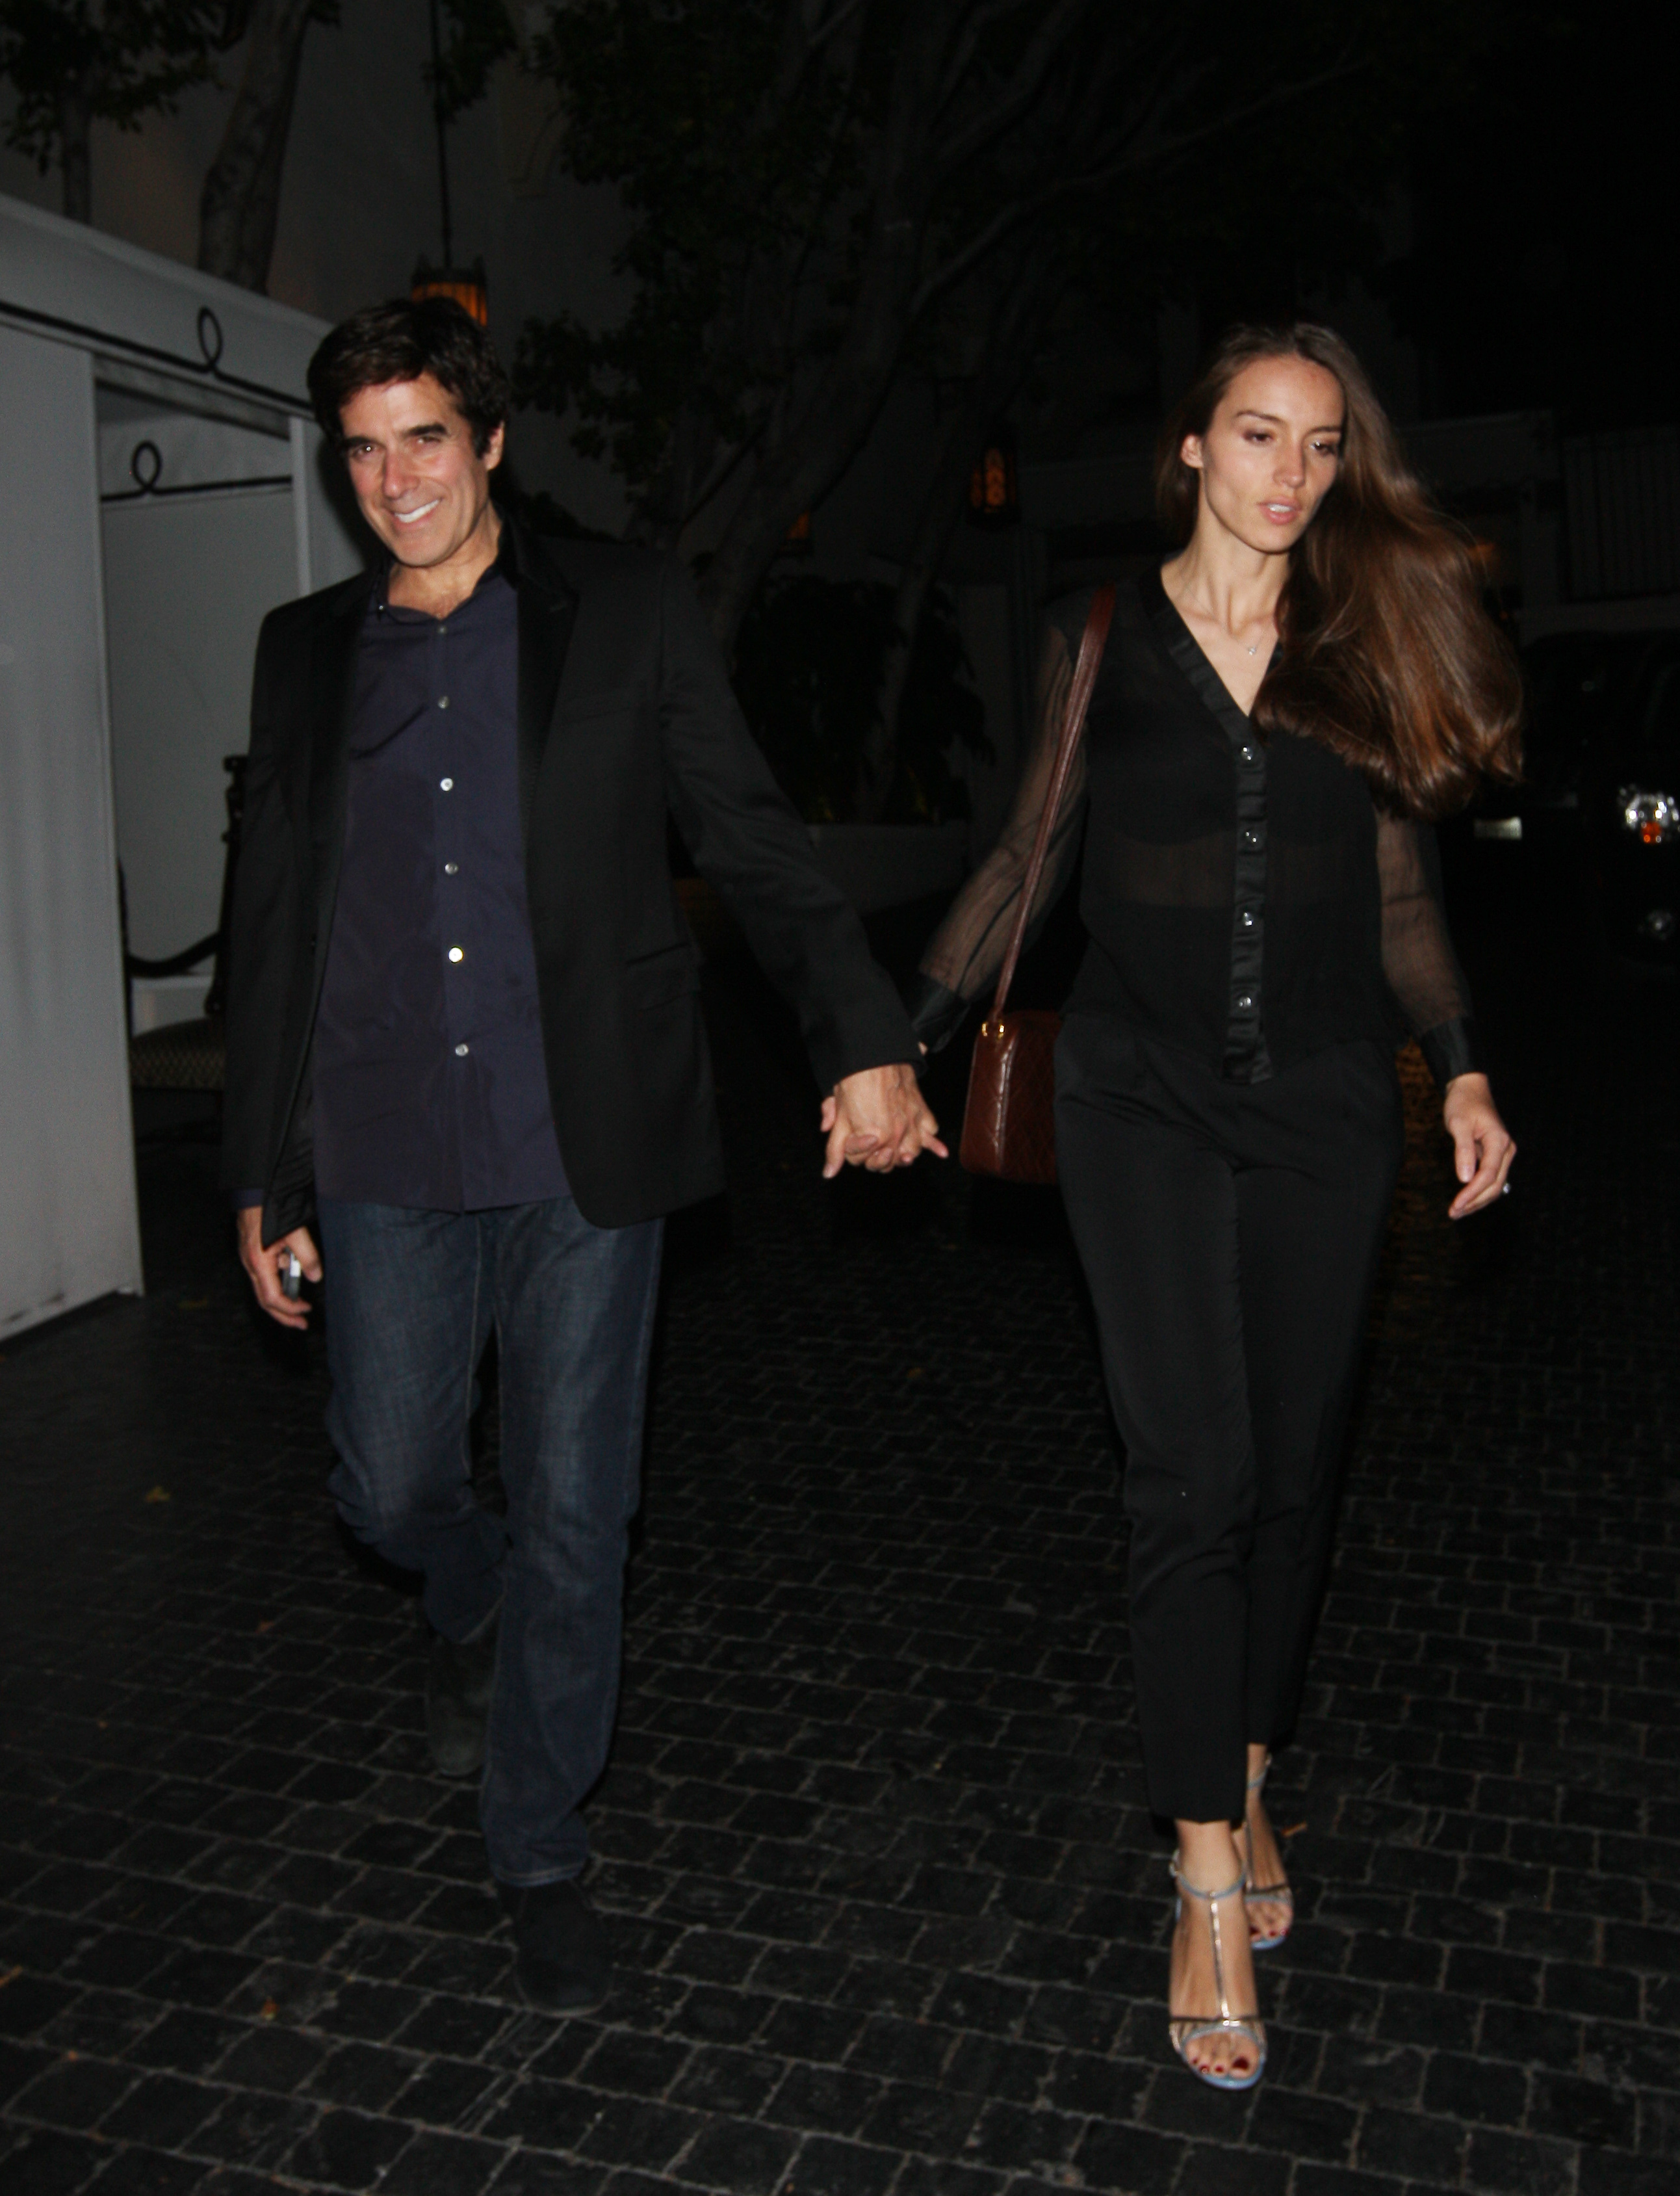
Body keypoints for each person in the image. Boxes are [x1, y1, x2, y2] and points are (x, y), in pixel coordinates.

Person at [222, 297, 944, 2015]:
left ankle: (537, 1840)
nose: (395, 478)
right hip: (380, 1135)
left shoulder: (622, 607)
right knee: (390, 1487)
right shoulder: (304, 648)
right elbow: (272, 912)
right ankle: (456, 1590)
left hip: (582, 1138)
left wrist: (859, 1032)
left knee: (577, 1506)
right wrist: (259, 1171)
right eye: (361, 450)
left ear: (489, 442)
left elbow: (747, 834)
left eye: (424, 437)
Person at [907, 324, 1519, 2089]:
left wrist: (1460, 1067)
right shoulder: (1096, 636)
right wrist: (895, 1041)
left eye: (1320, 447)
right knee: (1188, 1476)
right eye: (1258, 435)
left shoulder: (1363, 639)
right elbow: (1027, 857)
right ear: (1190, 446)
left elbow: (1399, 895)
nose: (1289, 474)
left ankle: (1247, 1771)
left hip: (1325, 1107)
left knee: (1291, 1469)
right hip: (1138, 1103)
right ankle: (1196, 1871)